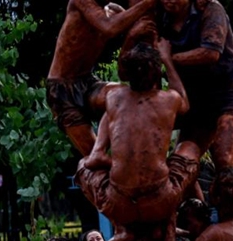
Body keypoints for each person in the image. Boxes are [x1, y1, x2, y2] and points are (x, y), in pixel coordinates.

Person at [76, 40, 200, 241]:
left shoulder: (113, 99)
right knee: (190, 148)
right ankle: (168, 237)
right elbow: (184, 102)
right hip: (161, 202)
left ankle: (123, 228)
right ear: (157, 74)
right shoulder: (169, 99)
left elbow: (94, 158)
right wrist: (167, 59)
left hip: (119, 203)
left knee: (83, 165)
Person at [158, 0, 233, 178]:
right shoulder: (160, 19)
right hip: (197, 98)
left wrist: (169, 58)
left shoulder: (211, 8)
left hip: (231, 89)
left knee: (223, 154)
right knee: (181, 162)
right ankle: (193, 203)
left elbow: (210, 53)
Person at [46, 0, 157, 156]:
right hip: (61, 90)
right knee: (95, 159)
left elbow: (132, 40)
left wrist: (133, 35)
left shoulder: (115, 12)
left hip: (88, 82)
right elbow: (109, 27)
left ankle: (135, 155)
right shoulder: (80, 3)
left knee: (125, 95)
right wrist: (148, 3)